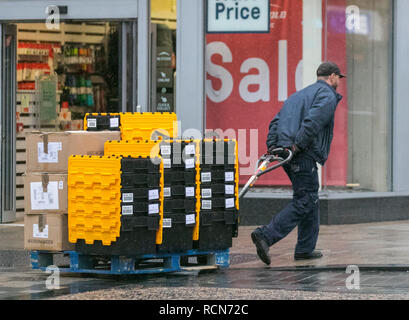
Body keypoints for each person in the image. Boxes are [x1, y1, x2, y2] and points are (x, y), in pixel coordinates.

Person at [251, 62, 345, 265]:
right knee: (306, 199)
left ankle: (305, 249)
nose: (339, 82)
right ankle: (266, 235)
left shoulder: (298, 95)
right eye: (339, 78)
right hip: (301, 153)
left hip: (287, 152)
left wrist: (274, 146)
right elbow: (313, 122)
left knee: (309, 197)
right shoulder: (327, 95)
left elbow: (276, 121)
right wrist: (298, 146)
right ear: (332, 76)